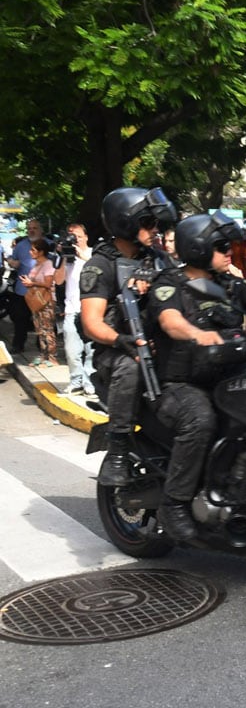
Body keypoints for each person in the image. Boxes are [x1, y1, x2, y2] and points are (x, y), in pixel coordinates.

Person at [147, 212, 246, 541]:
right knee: (200, 419)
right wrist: (195, 334)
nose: (229, 251)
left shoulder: (229, 284)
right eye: (221, 246)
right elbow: (170, 320)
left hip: (226, 377)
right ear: (199, 248)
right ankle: (174, 504)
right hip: (180, 385)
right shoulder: (170, 283)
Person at [80, 187, 176, 487]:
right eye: (148, 223)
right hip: (118, 352)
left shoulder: (159, 260)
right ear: (125, 223)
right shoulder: (101, 265)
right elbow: (91, 323)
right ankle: (119, 450)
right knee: (131, 364)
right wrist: (121, 340)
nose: (154, 229)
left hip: (161, 347)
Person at [56, 223, 95, 393]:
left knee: (92, 351)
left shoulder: (93, 254)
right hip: (71, 309)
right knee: (72, 351)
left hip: (91, 309)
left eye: (78, 236)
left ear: (86, 237)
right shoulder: (65, 257)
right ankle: (76, 380)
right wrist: (65, 256)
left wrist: (82, 256)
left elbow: (100, 271)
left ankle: (90, 381)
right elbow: (58, 281)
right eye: (72, 236)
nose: (75, 240)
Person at [5, 219, 43, 355]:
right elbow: (12, 259)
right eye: (29, 228)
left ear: (40, 230)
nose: (32, 230)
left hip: (42, 291)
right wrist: (11, 262)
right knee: (20, 320)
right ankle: (18, 345)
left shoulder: (49, 245)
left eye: (35, 228)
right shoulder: (21, 245)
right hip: (22, 290)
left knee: (41, 321)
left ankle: (42, 347)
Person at [19, 237, 59, 366]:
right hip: (36, 301)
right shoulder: (36, 265)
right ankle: (43, 354)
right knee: (39, 329)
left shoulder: (48, 264)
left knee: (47, 328)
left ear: (41, 251)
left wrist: (32, 282)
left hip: (46, 301)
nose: (30, 252)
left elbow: (48, 283)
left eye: (33, 250)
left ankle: (52, 357)